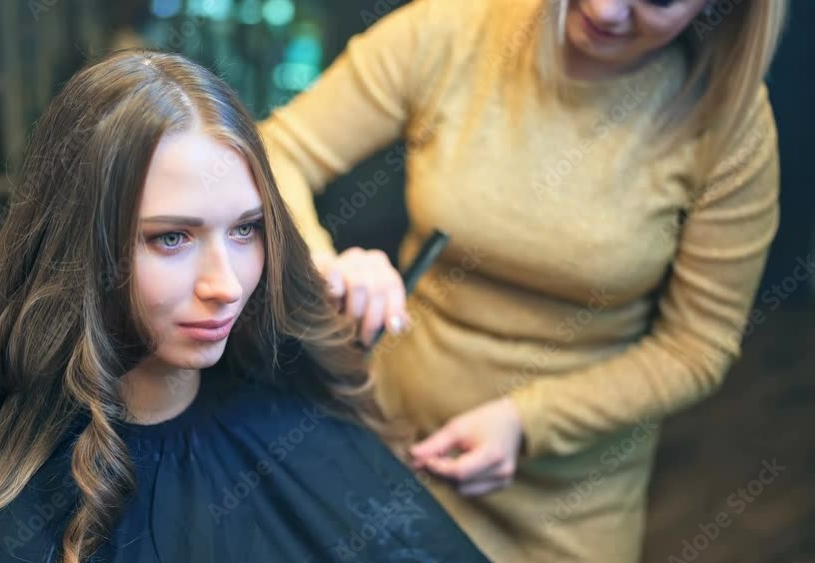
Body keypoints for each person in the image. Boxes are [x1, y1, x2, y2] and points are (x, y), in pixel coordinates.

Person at [0, 50, 491, 563]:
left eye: (246, 229)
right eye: (172, 238)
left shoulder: (297, 423)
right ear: (82, 248)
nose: (225, 283)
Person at [257, 0, 788, 561]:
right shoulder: (457, 27)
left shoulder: (729, 121)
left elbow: (696, 347)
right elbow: (277, 151)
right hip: (383, 456)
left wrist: (528, 421)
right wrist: (321, 266)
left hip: (564, 513)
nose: (606, 10)